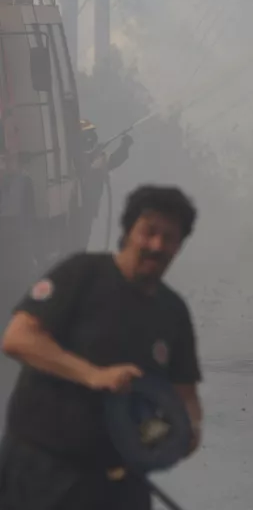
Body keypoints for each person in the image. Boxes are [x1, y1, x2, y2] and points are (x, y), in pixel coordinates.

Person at [0, 184, 203, 510]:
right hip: (42, 473)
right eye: (149, 232)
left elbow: (185, 395)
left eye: (170, 237)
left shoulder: (173, 312)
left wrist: (186, 430)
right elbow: (18, 338)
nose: (157, 245)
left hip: (119, 483)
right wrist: (93, 375)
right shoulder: (82, 274)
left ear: (179, 246)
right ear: (128, 231)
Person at [79, 119, 133, 249]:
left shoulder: (96, 156)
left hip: (88, 209)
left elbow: (113, 161)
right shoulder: (75, 156)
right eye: (89, 134)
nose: (92, 138)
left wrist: (124, 146)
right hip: (78, 209)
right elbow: (83, 170)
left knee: (81, 242)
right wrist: (93, 154)